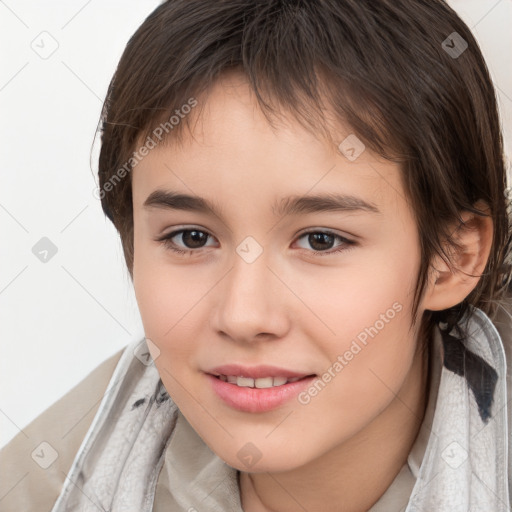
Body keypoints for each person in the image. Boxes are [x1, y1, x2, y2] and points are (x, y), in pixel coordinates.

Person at [2, 0, 511, 510]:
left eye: (321, 240)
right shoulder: (51, 488)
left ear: (453, 256)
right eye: (191, 238)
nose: (243, 316)